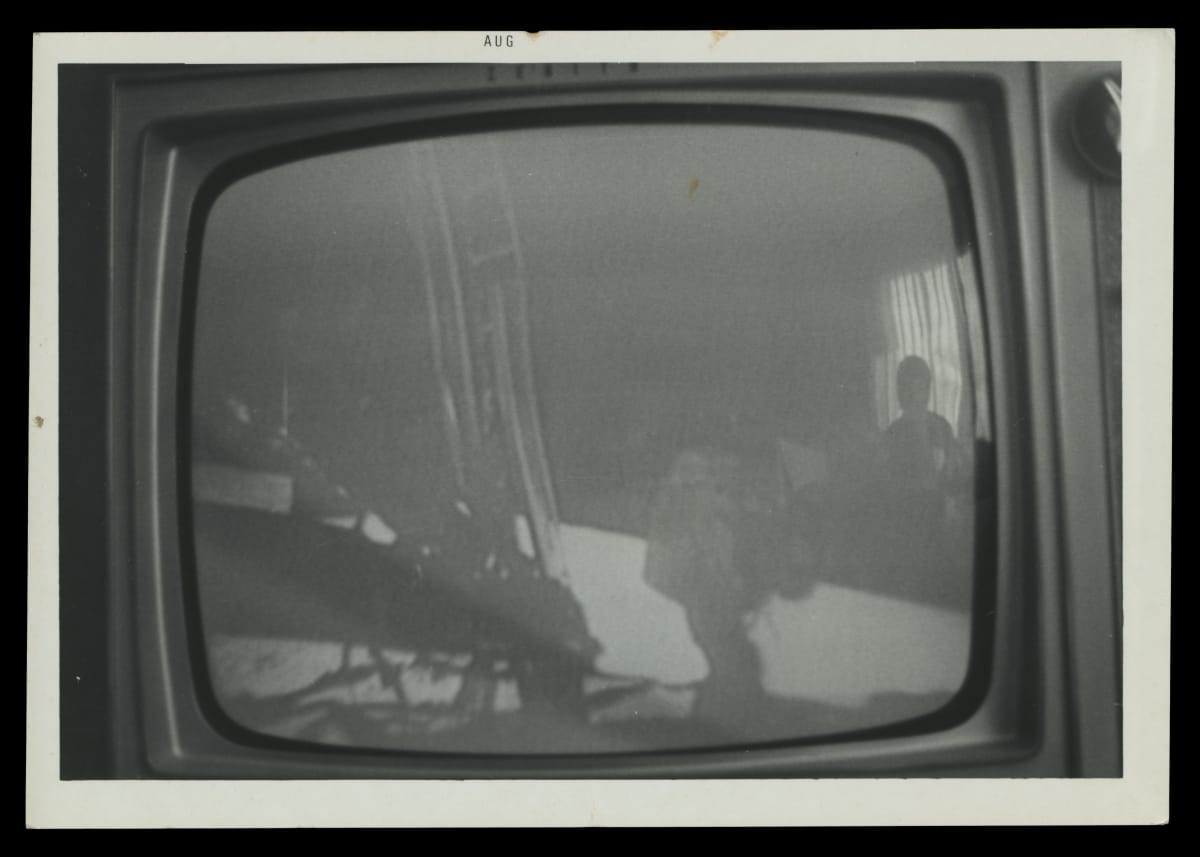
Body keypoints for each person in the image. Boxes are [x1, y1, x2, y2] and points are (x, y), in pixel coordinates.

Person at [642, 446, 770, 727]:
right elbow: (660, 579)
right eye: (688, 487)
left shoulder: (727, 531)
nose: (698, 494)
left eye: (704, 484)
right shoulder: (670, 544)